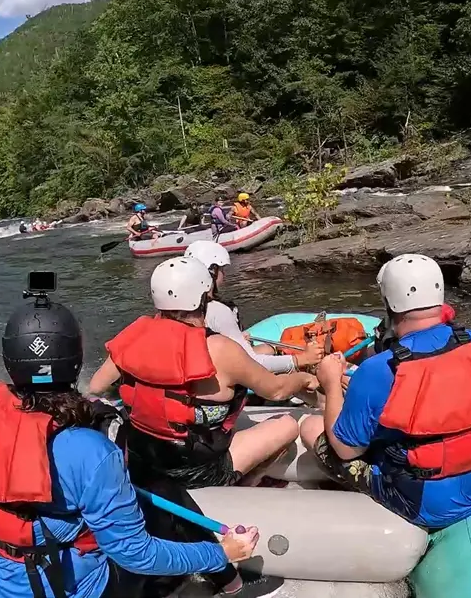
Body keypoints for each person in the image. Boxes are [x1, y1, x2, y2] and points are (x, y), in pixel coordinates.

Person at [0, 288, 261, 598]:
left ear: (10, 361)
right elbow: (137, 555)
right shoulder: (91, 452)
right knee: (163, 492)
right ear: (75, 361)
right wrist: (221, 552)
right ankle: (224, 577)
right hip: (71, 589)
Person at [86, 256, 319, 597]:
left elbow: (95, 387)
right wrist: (305, 379)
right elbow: (277, 391)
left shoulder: (133, 337)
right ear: (204, 296)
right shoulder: (220, 349)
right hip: (200, 468)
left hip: (142, 460)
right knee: (286, 425)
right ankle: (244, 485)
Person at [300, 254, 471, 530]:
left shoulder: (377, 370)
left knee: (311, 427)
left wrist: (331, 384)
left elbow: (344, 451)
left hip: (427, 505)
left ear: (389, 303)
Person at [184, 240, 324, 375]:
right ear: (212, 271)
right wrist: (301, 359)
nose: (224, 275)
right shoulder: (218, 311)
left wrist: (237, 339)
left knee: (269, 349)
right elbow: (251, 363)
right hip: (229, 376)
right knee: (302, 375)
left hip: (209, 369)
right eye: (221, 270)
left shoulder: (184, 308)